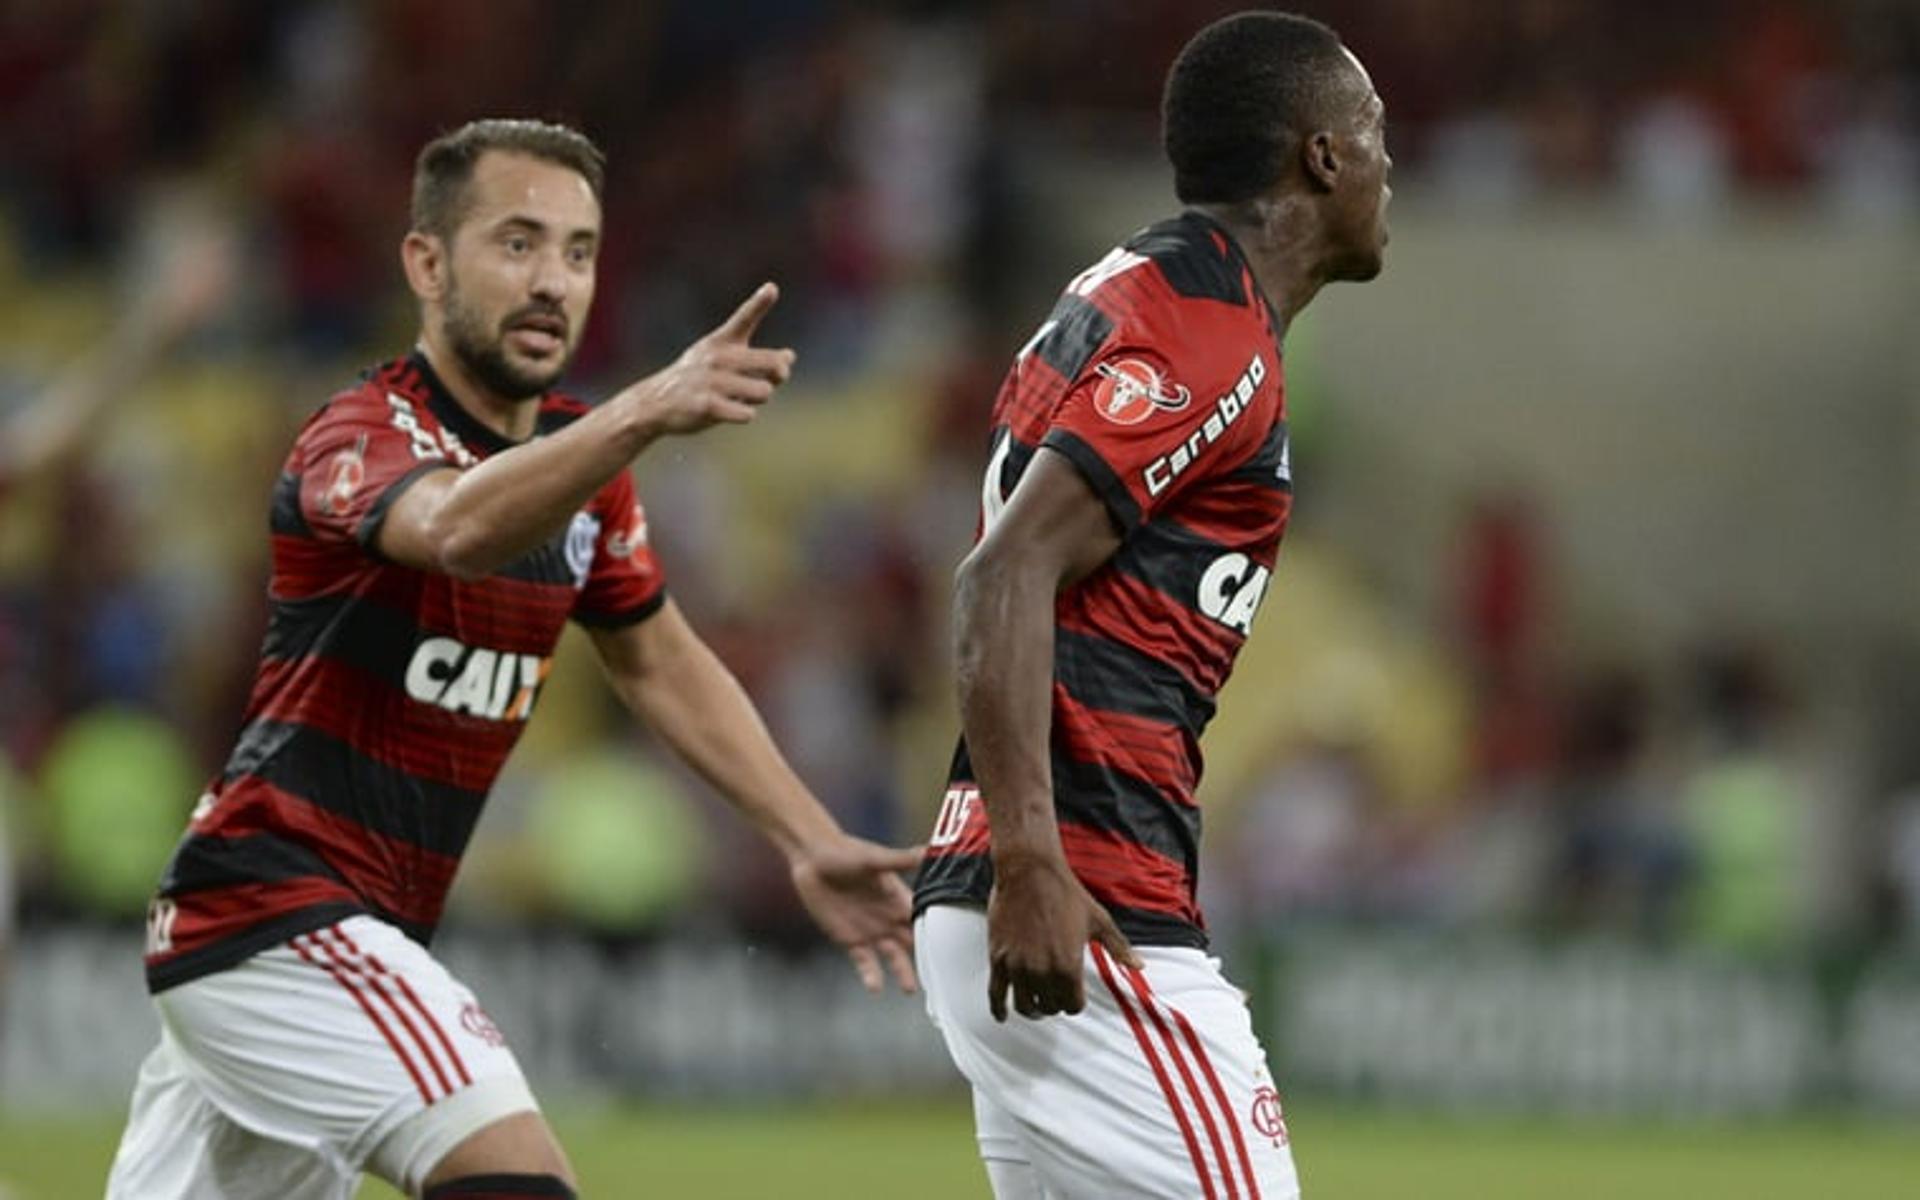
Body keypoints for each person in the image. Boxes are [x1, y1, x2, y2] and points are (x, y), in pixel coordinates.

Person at [106, 118, 921, 1200]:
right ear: (427, 263)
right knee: (517, 1178)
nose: (553, 282)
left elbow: (659, 662)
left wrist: (807, 838)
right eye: (518, 244)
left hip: (318, 942)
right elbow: (454, 531)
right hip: (272, 913)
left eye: (579, 252)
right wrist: (641, 411)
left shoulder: (583, 475)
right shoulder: (356, 435)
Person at [912, 13, 1391, 1199]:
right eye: (1374, 132)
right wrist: (1030, 857)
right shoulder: (1207, 336)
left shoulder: (1137, 287)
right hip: (1082, 895)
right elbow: (1004, 573)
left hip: (1040, 890)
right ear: (1321, 156)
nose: (1391, 163)